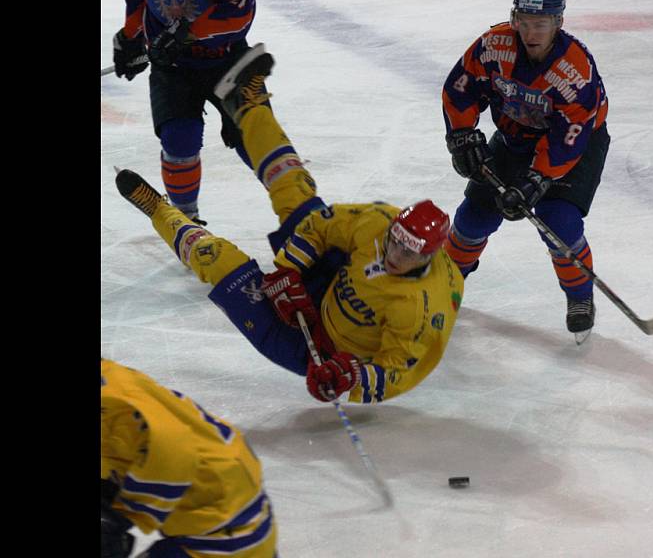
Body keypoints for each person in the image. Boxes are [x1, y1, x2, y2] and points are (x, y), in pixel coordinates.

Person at [115, 44, 464, 404]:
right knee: (292, 185)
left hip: (315, 352)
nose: (395, 253)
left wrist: (348, 375)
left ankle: (159, 211)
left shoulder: (423, 306)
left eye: (408, 252)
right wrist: (289, 271)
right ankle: (248, 102)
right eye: (394, 240)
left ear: (429, 256)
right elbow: (322, 227)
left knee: (214, 258)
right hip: (328, 278)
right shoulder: (379, 222)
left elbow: (399, 371)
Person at [441, 0, 611, 343]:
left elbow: (570, 136)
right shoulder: (493, 45)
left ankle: (580, 297)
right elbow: (462, 87)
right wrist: (461, 134)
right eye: (525, 22)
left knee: (558, 221)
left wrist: (536, 180)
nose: (531, 33)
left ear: (558, 23)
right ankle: (443, 284)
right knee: (473, 217)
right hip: (516, 135)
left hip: (575, 145)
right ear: (514, 18)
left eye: (541, 24)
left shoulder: (575, 69)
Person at [112, 0, 263, 225]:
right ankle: (186, 221)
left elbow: (240, 17)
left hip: (227, 60)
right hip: (173, 65)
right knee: (179, 138)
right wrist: (130, 38)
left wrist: (188, 34)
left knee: (258, 141)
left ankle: (305, 212)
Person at [101, 358, 278, 558]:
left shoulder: (111, 402)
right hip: (236, 507)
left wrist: (122, 515)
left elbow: (176, 448)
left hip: (226, 533)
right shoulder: (112, 377)